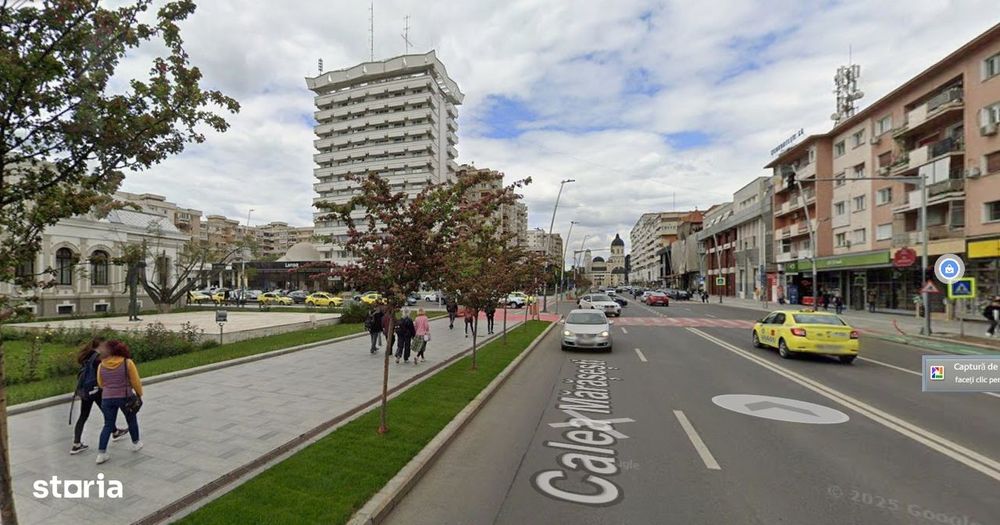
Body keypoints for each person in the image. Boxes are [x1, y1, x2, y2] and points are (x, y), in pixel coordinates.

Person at [70, 338, 128, 455]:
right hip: (96, 390)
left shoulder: (87, 356)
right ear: (99, 346)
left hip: (86, 390)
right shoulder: (97, 359)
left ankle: (76, 444)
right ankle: (114, 432)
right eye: (104, 345)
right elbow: (102, 374)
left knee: (84, 415)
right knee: (107, 412)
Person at [95, 340, 143, 465]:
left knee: (108, 424)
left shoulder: (102, 365)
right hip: (125, 396)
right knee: (131, 419)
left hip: (107, 398)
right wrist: (139, 393)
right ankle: (136, 443)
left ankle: (101, 453)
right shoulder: (127, 363)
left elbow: (100, 383)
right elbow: (135, 381)